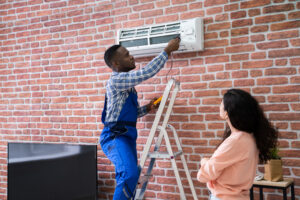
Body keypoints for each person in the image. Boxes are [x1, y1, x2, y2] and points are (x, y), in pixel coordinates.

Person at [100, 38, 180, 200]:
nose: (131, 57)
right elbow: (145, 73)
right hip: (114, 137)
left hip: (127, 136)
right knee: (129, 174)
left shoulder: (128, 87)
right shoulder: (116, 80)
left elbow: (131, 115)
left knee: (131, 176)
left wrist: (148, 108)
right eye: (126, 55)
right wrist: (166, 51)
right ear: (116, 63)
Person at [197, 89, 278, 200]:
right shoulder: (250, 137)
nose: (219, 105)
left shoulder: (236, 141)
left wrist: (204, 161)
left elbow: (205, 175)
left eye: (222, 102)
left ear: (227, 113)